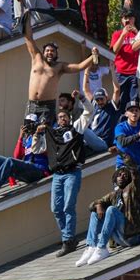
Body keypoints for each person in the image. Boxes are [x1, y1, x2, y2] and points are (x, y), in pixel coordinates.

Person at [32, 99, 93, 257]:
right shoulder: (51, 134)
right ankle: (69, 237)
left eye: (65, 116)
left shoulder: (75, 129)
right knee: (56, 209)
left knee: (68, 207)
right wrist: (37, 133)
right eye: (59, 117)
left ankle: (68, 240)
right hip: (57, 176)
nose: (62, 119)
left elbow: (89, 112)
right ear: (56, 120)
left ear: (69, 118)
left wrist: (81, 98)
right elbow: (36, 149)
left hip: (72, 172)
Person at [23, 12, 96, 124]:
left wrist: (93, 56)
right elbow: (28, 37)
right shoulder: (36, 57)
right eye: (47, 51)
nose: (49, 53)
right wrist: (27, 16)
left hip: (47, 106)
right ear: (43, 52)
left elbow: (79, 66)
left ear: (56, 54)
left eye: (52, 51)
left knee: (46, 134)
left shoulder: (60, 67)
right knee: (28, 133)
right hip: (32, 104)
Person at [75, 165, 140, 267]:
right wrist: (98, 205)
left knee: (111, 210)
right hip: (120, 239)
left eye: (125, 175)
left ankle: (102, 248)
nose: (121, 177)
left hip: (133, 236)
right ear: (115, 178)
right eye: (119, 175)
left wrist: (124, 156)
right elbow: (92, 205)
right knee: (95, 213)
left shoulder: (133, 190)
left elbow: (137, 175)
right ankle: (91, 247)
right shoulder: (113, 195)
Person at [83, 67, 121, 153]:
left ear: (106, 97)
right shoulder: (94, 104)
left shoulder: (111, 106)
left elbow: (117, 90)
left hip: (103, 143)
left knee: (81, 128)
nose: (100, 102)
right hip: (91, 140)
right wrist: (86, 72)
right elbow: (86, 90)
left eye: (101, 99)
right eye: (97, 100)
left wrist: (112, 71)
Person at [114, 99, 140, 176]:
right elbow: (122, 142)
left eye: (136, 110)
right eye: (131, 110)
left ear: (139, 113)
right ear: (126, 114)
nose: (134, 113)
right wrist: (138, 135)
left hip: (139, 165)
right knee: (123, 187)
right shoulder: (120, 127)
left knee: (138, 188)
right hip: (124, 165)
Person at [110, 8, 140, 113]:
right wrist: (123, 34)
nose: (127, 20)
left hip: (135, 72)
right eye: (124, 18)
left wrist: (136, 32)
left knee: (134, 101)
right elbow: (115, 49)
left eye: (129, 18)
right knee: (122, 101)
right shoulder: (117, 34)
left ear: (134, 19)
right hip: (121, 72)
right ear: (121, 20)